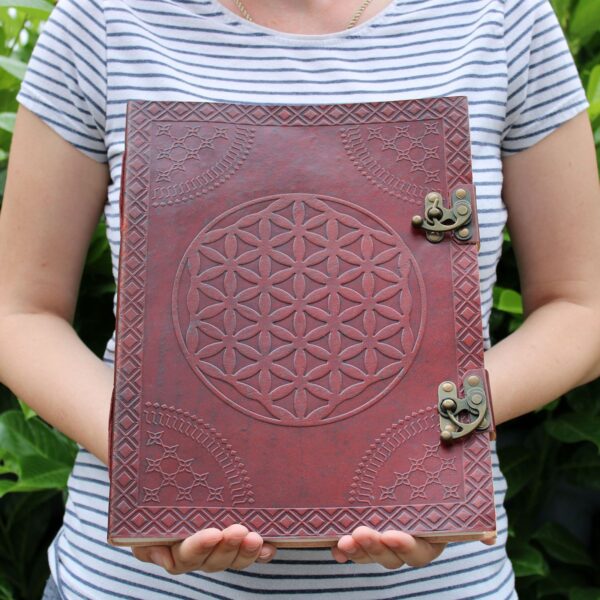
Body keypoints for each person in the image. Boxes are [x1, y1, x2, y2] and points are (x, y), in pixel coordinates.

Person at [0, 0, 599, 598]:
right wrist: (150, 459)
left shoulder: (502, 17)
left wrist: (443, 425)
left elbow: (583, 307)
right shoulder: (104, 18)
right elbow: (18, 311)